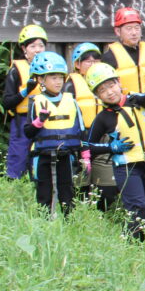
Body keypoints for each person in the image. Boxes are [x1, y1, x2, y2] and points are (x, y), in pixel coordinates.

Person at [83, 62, 145, 240]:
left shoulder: (135, 100)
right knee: (137, 207)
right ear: (97, 95)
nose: (110, 92)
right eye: (102, 90)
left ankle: (144, 246)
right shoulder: (104, 117)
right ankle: (132, 244)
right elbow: (88, 145)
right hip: (126, 167)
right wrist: (111, 147)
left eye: (111, 85)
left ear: (119, 82)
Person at [23, 51, 85, 217]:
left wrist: (85, 157)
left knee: (67, 194)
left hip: (65, 155)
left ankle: (69, 226)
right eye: (53, 78)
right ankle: (45, 226)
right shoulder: (36, 102)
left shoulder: (71, 101)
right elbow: (28, 132)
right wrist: (39, 121)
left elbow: (82, 131)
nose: (58, 82)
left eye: (60, 77)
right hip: (43, 156)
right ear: (41, 79)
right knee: (44, 194)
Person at [65, 42, 117, 209]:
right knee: (81, 176)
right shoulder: (71, 84)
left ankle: (102, 209)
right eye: (88, 61)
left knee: (105, 180)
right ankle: (80, 208)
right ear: (78, 65)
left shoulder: (107, 84)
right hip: (81, 135)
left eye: (96, 60)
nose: (93, 64)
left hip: (103, 134)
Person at [1, 24, 47, 179]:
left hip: (44, 120)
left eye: (41, 45)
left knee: (42, 157)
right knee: (18, 158)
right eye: (32, 46)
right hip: (23, 120)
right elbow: (7, 102)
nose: (38, 50)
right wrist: (25, 91)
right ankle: (14, 186)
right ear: (24, 49)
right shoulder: (16, 70)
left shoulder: (50, 69)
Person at [101, 7, 145, 94]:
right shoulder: (109, 56)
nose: (134, 33)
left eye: (137, 28)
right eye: (129, 28)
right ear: (118, 31)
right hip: (124, 105)